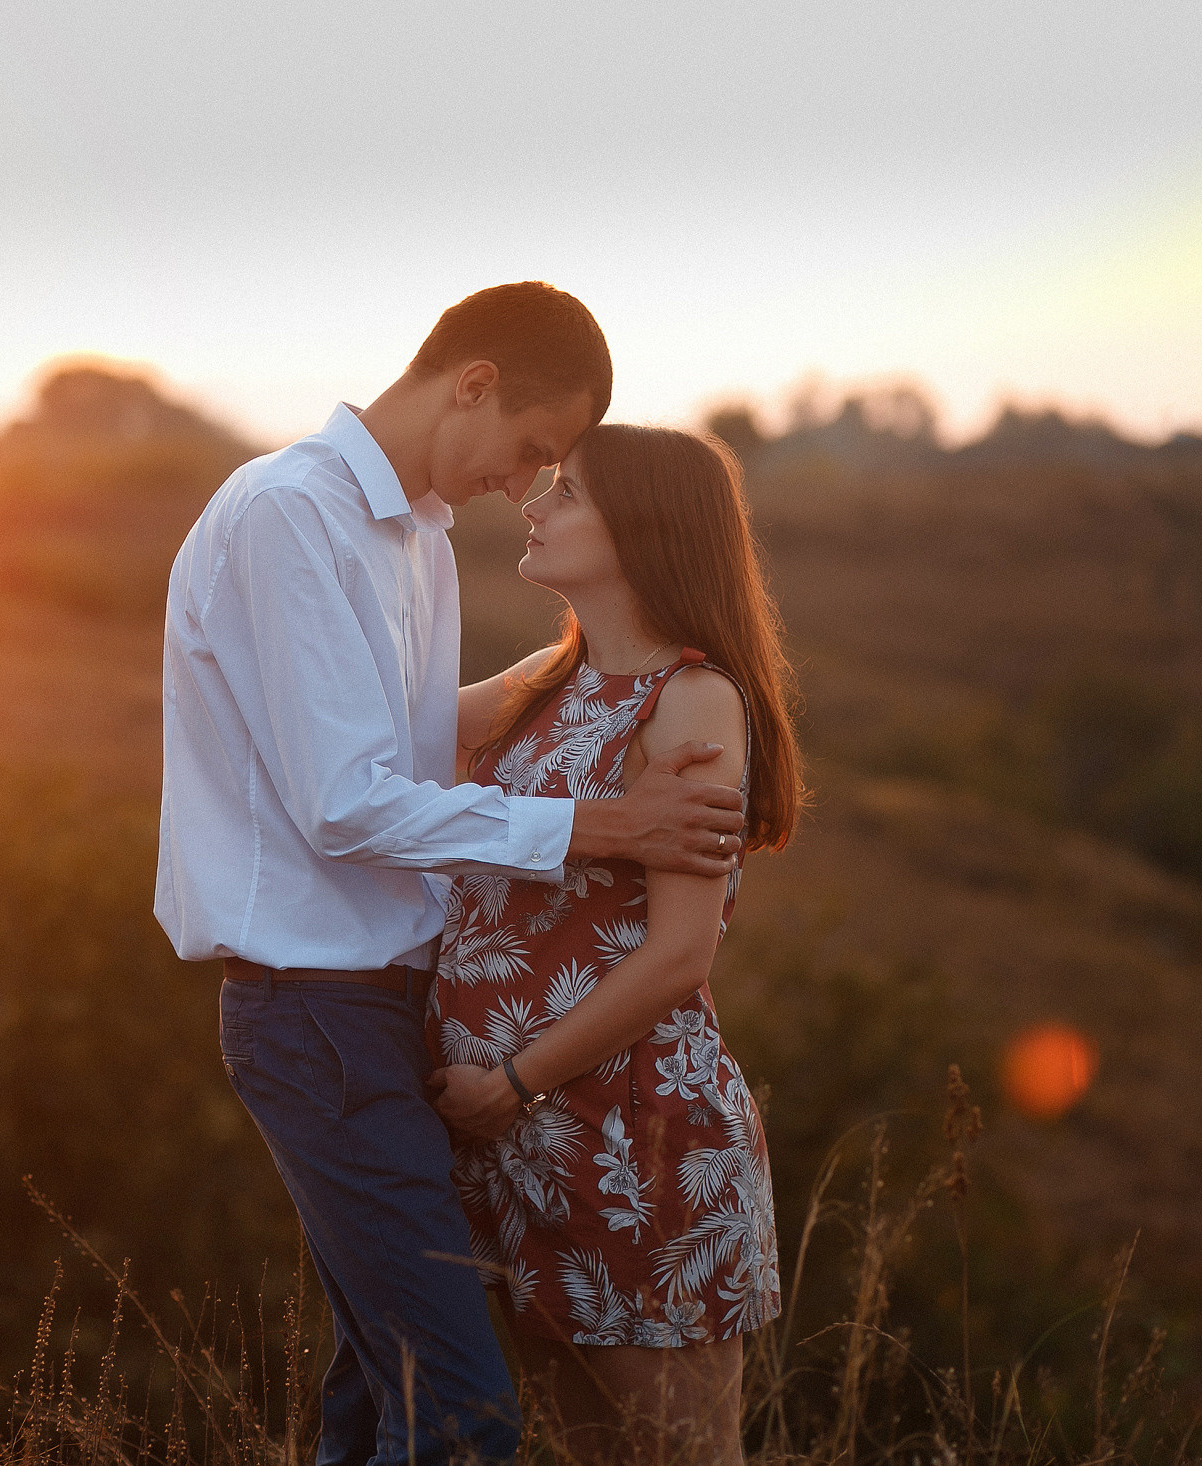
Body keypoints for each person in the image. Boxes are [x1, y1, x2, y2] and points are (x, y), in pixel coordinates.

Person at [156, 283, 750, 1466]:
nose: (524, 482)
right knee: (461, 1414)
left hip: (394, 1010)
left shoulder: (412, 537)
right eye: (531, 448)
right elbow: (346, 802)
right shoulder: (291, 515)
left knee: (383, 1403)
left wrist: (595, 678)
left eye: (555, 470)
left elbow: (410, 744)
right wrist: (604, 825)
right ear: (471, 381)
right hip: (316, 1006)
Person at [428, 423, 804, 1465]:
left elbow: (681, 954)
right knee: (588, 1451)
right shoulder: (543, 681)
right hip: (516, 1140)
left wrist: (512, 1079)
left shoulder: (691, 699)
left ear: (642, 531)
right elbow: (371, 728)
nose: (535, 504)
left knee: (676, 1452)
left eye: (570, 493)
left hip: (634, 1138)